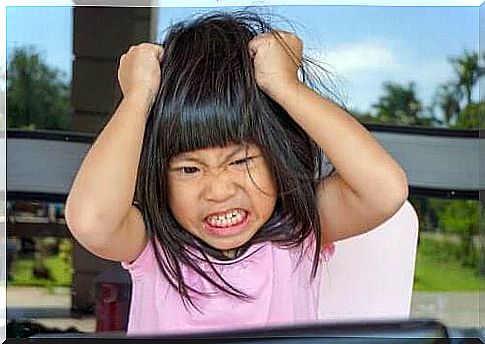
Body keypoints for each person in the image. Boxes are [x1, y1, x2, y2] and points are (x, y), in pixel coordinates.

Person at [65, 11, 409, 336]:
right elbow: (92, 220)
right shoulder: (153, 245)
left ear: (277, 157)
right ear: (160, 178)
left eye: (241, 161)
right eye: (189, 168)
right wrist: (138, 97)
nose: (218, 190)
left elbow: (385, 190)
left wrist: (285, 86)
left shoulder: (297, 231)